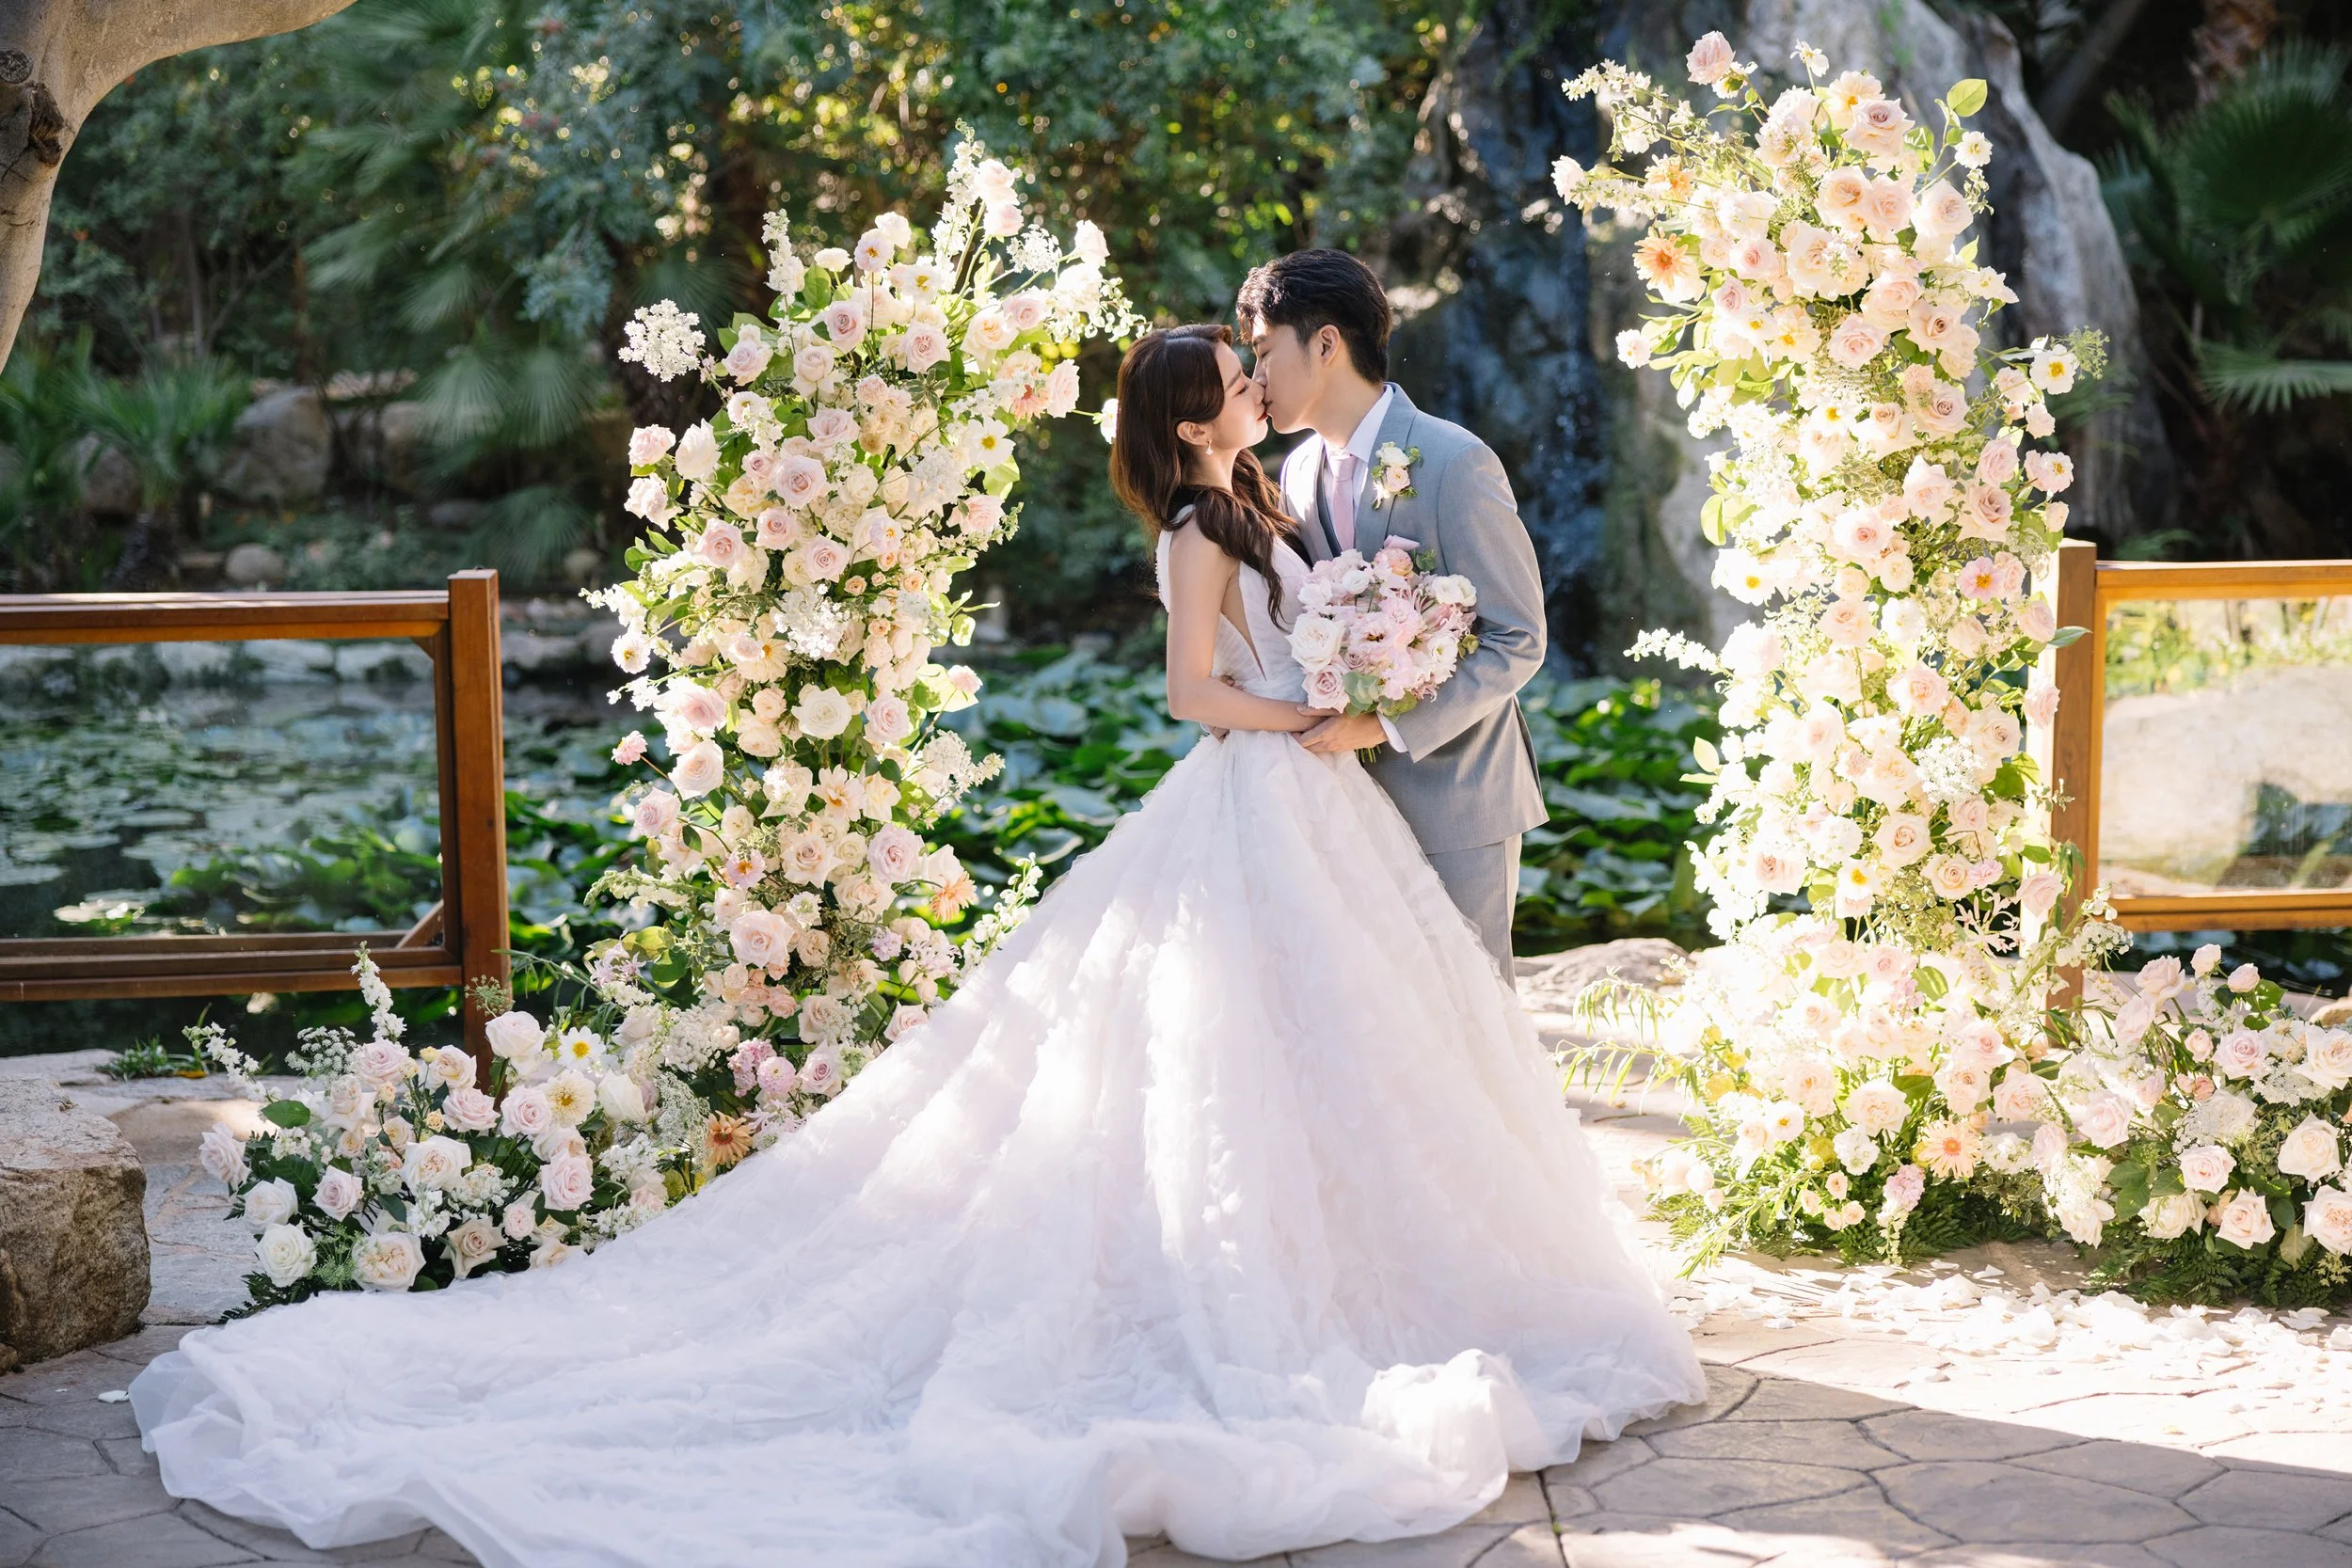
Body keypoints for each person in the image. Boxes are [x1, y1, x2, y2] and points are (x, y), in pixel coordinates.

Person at [130, 324, 1701, 1568]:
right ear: (1184, 418)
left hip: (1324, 813)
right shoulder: (1196, 538)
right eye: (1229, 376)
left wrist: (1373, 668)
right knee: (1235, 1062)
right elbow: (1188, 694)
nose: (1249, 378)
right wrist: (1313, 709)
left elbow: (1357, 630)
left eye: (1250, 363)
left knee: (1344, 1058)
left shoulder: (1278, 502)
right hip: (1258, 795)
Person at [1239, 249, 1548, 974]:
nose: (1255, 379)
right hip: (1348, 807)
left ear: (1325, 344)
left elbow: (1518, 638)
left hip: (1459, 796)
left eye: (1262, 352)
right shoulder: (1298, 472)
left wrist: (1383, 722)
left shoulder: (1452, 459)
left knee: (1471, 1026)